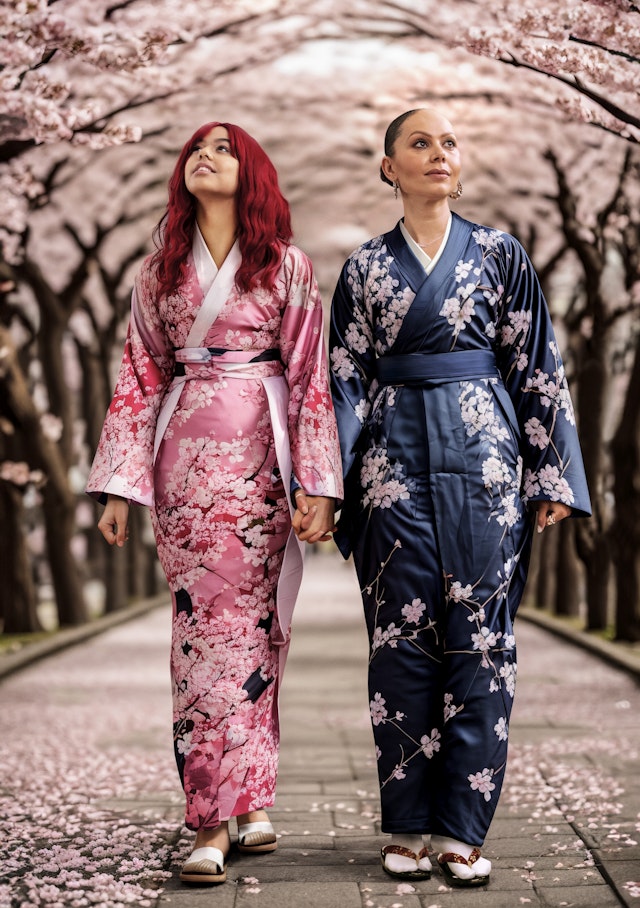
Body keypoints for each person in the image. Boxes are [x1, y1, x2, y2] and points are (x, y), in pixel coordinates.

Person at [325, 108, 591, 887]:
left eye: (449, 143)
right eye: (419, 143)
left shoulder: (503, 255)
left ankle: (461, 829)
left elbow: (537, 362)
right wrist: (328, 484)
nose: (438, 154)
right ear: (389, 168)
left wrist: (551, 475)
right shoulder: (365, 269)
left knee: (482, 645)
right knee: (401, 644)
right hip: (390, 471)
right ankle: (407, 824)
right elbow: (342, 379)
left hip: (487, 469)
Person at [86, 121, 342, 885]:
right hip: (183, 475)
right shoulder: (157, 274)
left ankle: (250, 796)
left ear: (252, 171)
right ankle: (209, 818)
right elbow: (138, 379)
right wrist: (119, 487)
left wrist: (318, 486)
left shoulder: (288, 267)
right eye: (196, 149)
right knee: (202, 637)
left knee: (257, 630)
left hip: (263, 465)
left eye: (224, 149)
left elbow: (309, 378)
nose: (206, 156)